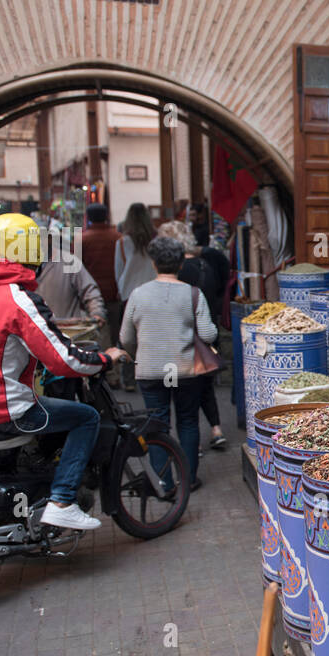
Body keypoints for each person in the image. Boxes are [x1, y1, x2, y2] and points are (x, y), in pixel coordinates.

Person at [0, 213, 126, 531]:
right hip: (1, 409)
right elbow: (64, 361)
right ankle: (62, 501)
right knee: (86, 417)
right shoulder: (18, 299)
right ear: (30, 249)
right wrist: (106, 359)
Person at [120, 235, 218, 489]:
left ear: (153, 263)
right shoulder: (193, 294)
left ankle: (162, 482)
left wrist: (137, 352)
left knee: (157, 425)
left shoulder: (137, 294)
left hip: (151, 370)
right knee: (187, 421)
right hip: (185, 369)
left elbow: (125, 337)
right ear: (181, 264)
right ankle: (188, 479)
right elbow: (208, 335)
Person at [157, 221, 228, 450]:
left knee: (184, 398)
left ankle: (189, 446)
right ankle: (216, 429)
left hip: (184, 338)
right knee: (205, 385)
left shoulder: (177, 273)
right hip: (207, 333)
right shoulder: (207, 264)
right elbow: (218, 292)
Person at [113, 203, 157, 392]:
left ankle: (129, 379)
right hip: (155, 293)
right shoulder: (157, 240)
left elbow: (119, 271)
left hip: (130, 295)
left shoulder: (122, 243)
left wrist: (121, 290)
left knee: (128, 338)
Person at [35, 224, 107, 324]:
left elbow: (90, 291)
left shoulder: (68, 261)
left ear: (49, 239)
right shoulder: (22, 266)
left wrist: (97, 312)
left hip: (67, 332)